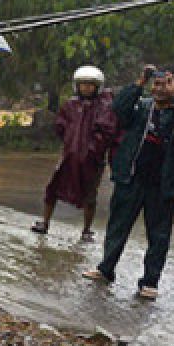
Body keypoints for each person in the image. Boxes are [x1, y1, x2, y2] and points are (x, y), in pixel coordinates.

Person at [83, 65, 174, 299]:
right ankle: (105, 269)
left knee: (158, 234)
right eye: (156, 84)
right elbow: (119, 109)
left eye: (166, 84)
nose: (159, 89)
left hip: (163, 184)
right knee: (118, 226)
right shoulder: (142, 107)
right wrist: (140, 82)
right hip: (131, 177)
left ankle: (149, 282)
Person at [32, 65, 117, 241]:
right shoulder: (70, 105)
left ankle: (86, 230)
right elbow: (60, 126)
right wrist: (70, 143)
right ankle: (45, 222)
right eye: (82, 84)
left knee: (89, 194)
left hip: (92, 160)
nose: (85, 88)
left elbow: (107, 131)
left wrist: (93, 149)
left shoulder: (104, 107)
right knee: (53, 188)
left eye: (90, 84)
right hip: (68, 155)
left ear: (97, 86)